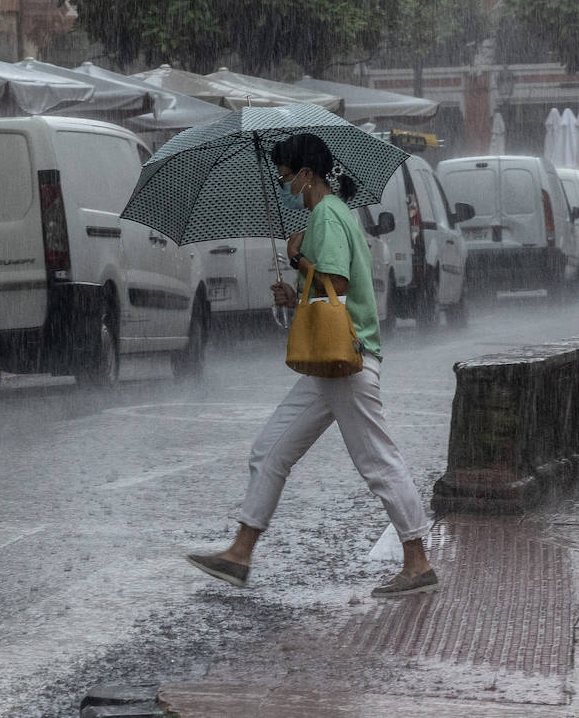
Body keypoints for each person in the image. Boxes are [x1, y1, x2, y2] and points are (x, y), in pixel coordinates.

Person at [185, 133, 438, 598]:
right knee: (271, 450)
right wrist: (297, 284)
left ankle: (418, 561)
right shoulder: (337, 212)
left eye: (285, 177)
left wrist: (297, 258)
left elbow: (337, 282)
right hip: (332, 364)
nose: (284, 187)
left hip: (347, 359)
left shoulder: (325, 213)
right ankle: (240, 553)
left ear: (306, 174)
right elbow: (328, 285)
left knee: (378, 462)